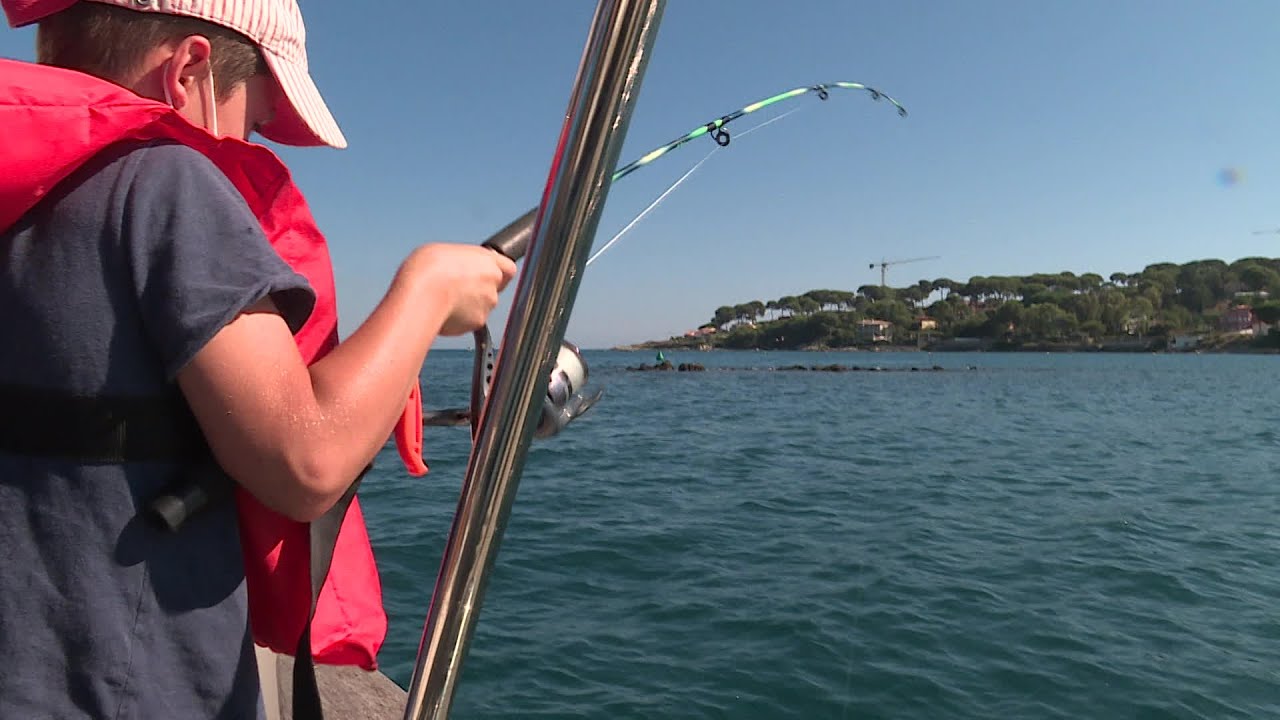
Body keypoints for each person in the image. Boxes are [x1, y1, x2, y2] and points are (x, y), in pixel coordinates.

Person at [0, 0, 517, 717]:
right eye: (255, 117)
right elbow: (304, 462)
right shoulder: (164, 182)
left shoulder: (24, 198)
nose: (251, 144)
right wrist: (427, 289)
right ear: (189, 72)